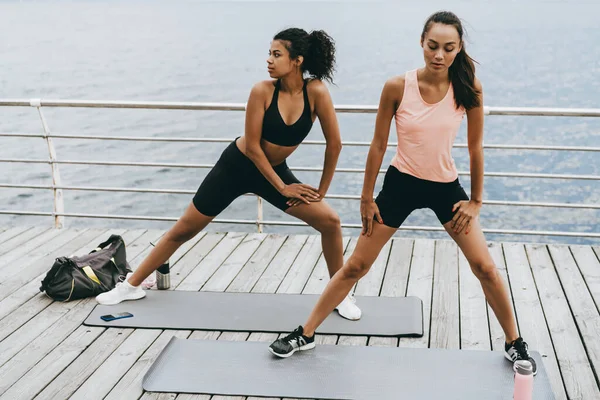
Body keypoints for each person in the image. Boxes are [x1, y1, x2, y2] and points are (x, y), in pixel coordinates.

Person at [269, 11, 537, 375]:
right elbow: (378, 145)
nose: (438, 55)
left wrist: (476, 201)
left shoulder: (468, 88)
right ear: (421, 43)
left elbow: (476, 148)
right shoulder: (397, 86)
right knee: (357, 266)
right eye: (432, 46)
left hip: (447, 189)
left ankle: (514, 342)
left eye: (448, 48)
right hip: (400, 185)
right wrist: (366, 197)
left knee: (485, 267)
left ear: (458, 49)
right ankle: (306, 332)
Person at [96, 28, 361, 321]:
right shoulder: (262, 90)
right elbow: (253, 148)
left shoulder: (316, 92)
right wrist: (282, 188)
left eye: (276, 54)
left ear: (297, 60)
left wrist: (321, 190)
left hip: (274, 172)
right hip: (237, 167)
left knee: (330, 222)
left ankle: (340, 294)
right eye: (269, 53)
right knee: (185, 228)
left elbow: (334, 144)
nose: (269, 60)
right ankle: (130, 286)